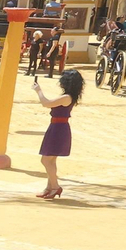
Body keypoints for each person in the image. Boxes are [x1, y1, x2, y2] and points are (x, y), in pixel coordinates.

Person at [34, 69, 84, 199]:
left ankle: (55, 187)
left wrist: (38, 90)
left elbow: (46, 103)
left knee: (46, 159)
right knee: (51, 160)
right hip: (58, 127)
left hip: (58, 128)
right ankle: (49, 187)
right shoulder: (69, 96)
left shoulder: (66, 97)